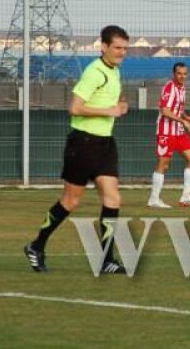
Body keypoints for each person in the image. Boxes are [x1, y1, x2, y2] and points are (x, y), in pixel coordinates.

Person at [23, 25, 132, 275]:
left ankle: (106, 260)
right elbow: (75, 107)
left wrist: (118, 106)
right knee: (71, 201)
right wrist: (109, 110)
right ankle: (36, 246)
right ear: (103, 47)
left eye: (125, 48)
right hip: (83, 144)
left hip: (105, 143)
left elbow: (107, 101)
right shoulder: (94, 72)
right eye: (117, 47)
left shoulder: (114, 71)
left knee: (113, 198)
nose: (121, 52)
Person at [148, 61, 190, 208]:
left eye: (185, 74)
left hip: (178, 131)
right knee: (163, 164)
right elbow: (164, 110)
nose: (182, 76)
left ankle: (186, 197)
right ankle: (154, 199)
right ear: (174, 74)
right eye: (179, 73)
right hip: (166, 131)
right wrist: (183, 122)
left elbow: (176, 108)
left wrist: (185, 116)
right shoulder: (169, 87)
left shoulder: (182, 88)